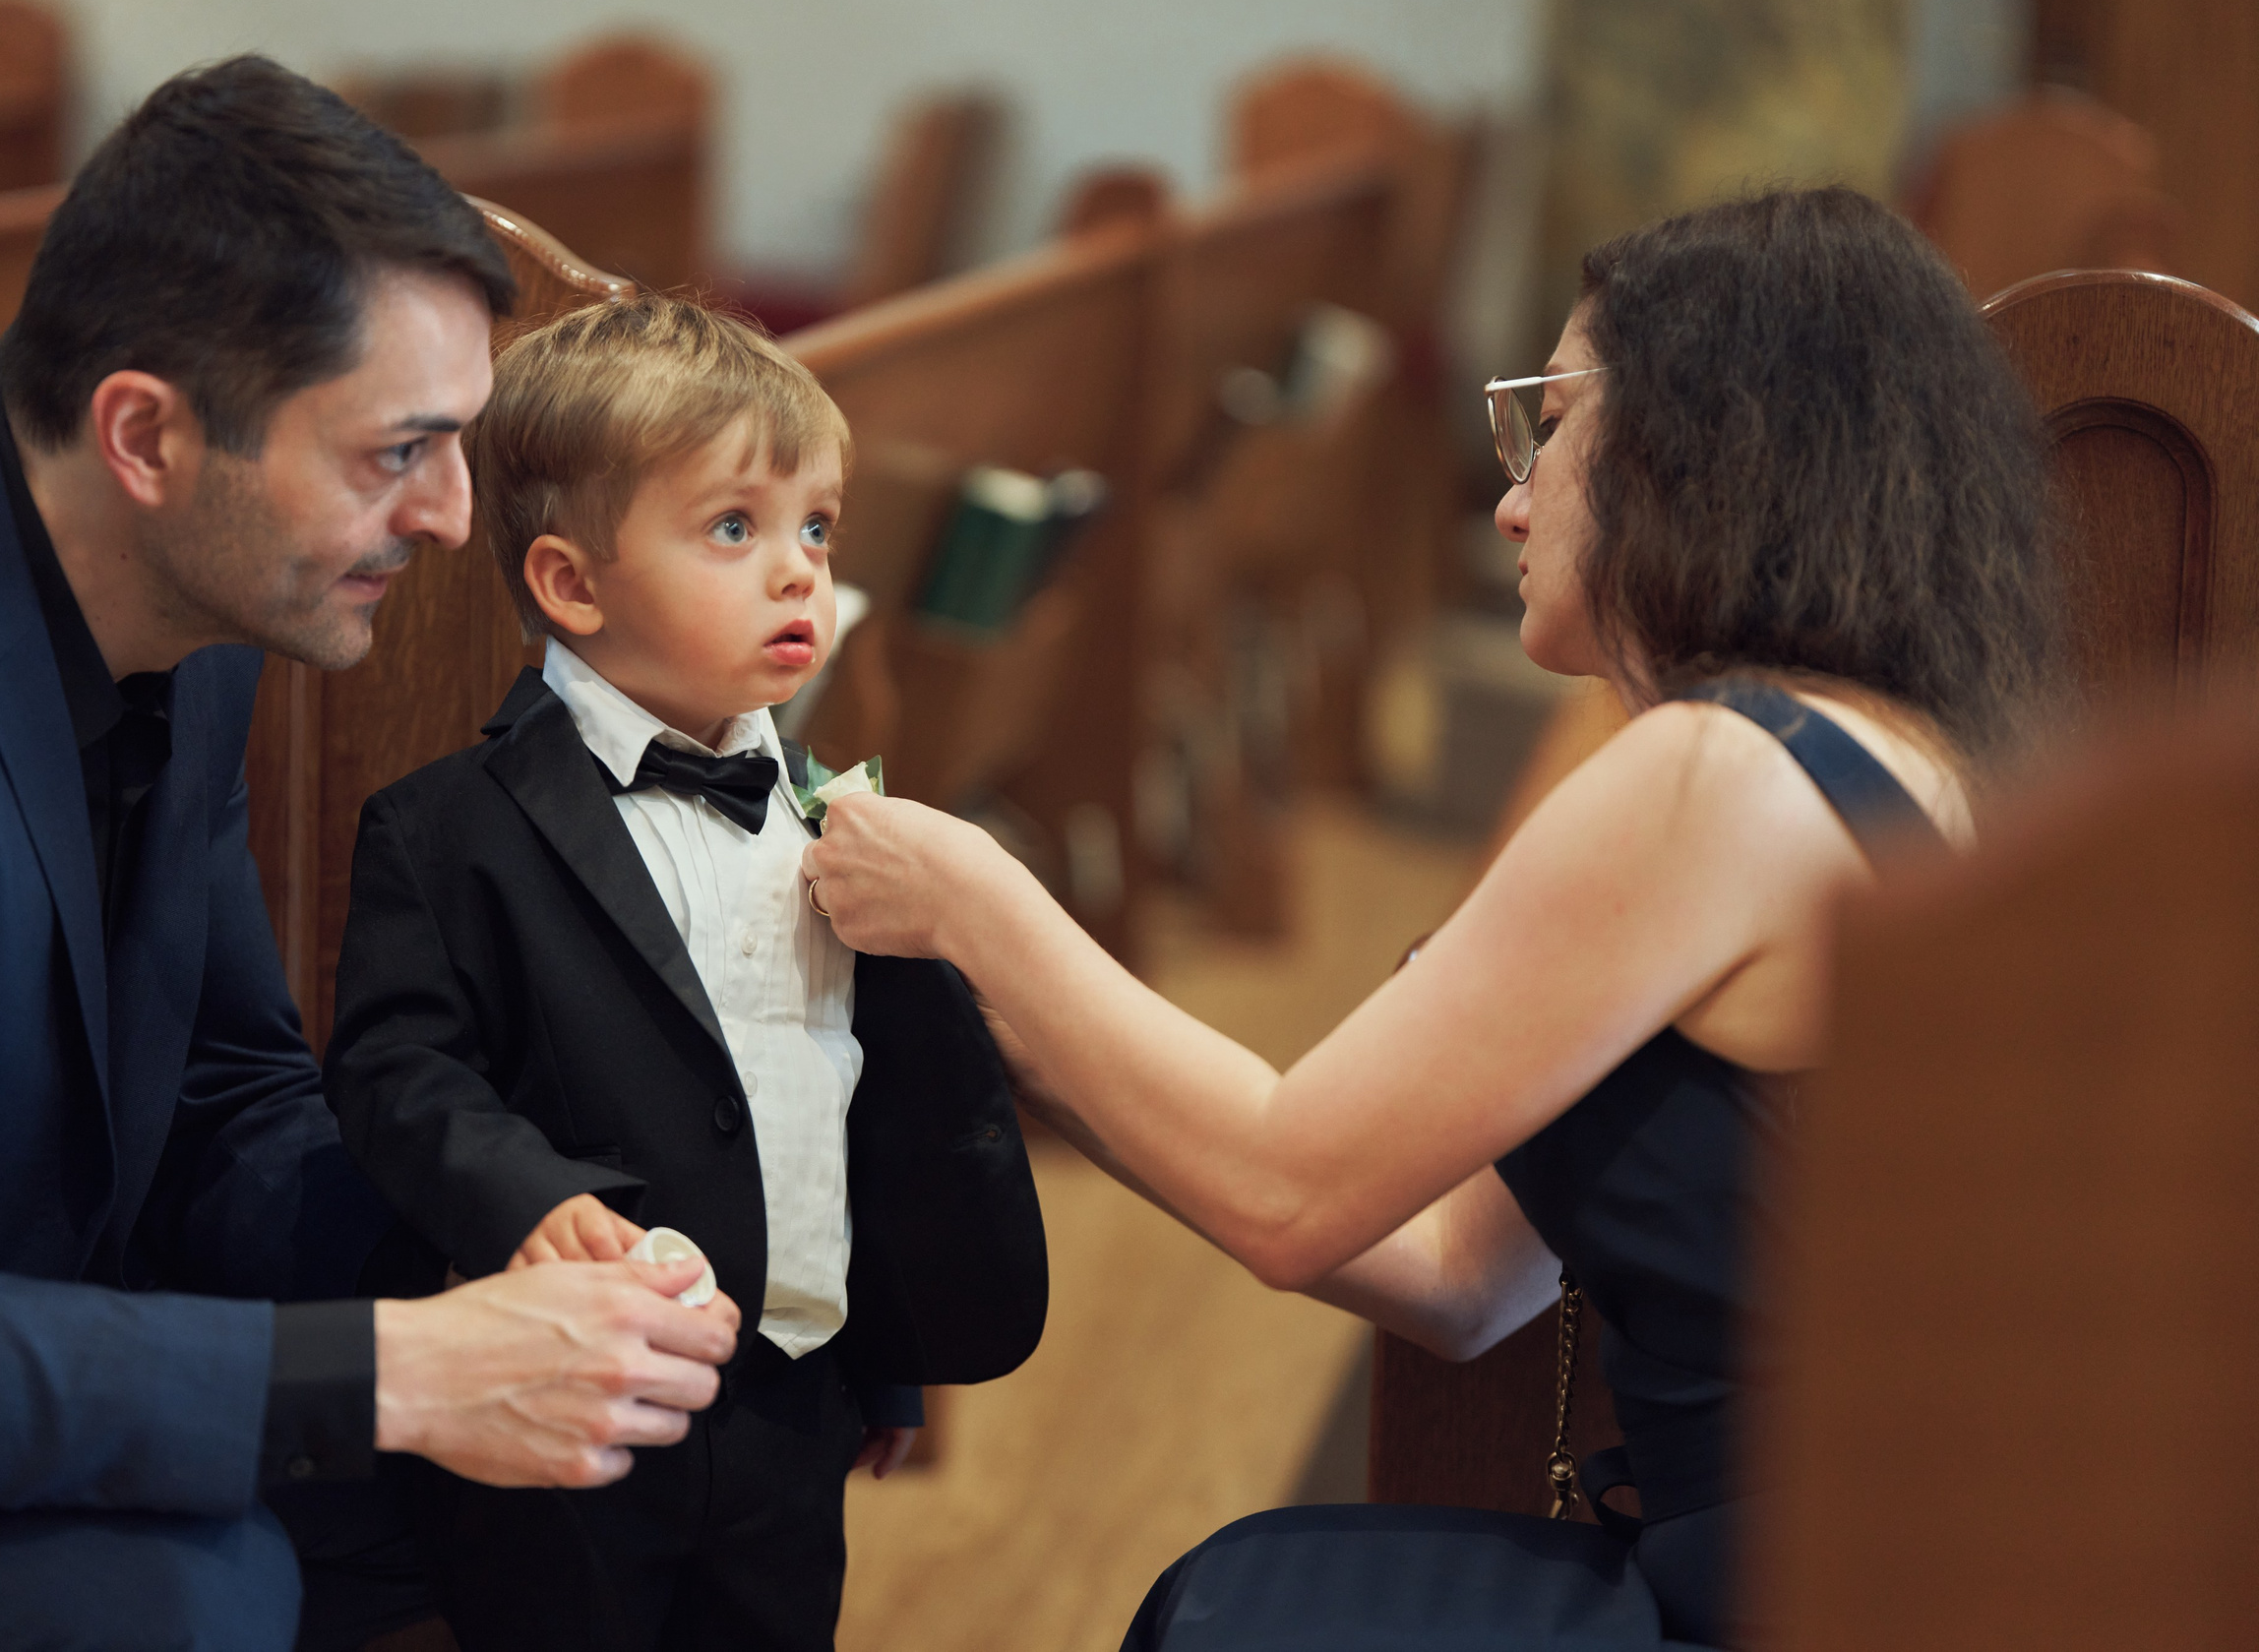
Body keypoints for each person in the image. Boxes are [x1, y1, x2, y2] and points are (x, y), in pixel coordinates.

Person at [802, 186, 2060, 1649]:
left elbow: (1287, 1189)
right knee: (1246, 1585)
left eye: (1552, 420)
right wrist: (1004, 1013)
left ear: (1704, 445)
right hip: (1847, 1567)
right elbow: (1459, 1275)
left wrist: (975, 902)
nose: (1513, 495)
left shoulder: (1716, 775)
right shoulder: (1882, 743)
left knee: (1223, 1616)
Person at [0, 59, 742, 1652]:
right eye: (395, 451)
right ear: (146, 433)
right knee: (197, 1592)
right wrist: (411, 1372)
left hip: (9, 1358)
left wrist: (523, 1235)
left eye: (463, 443)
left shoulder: (190, 616)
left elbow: (219, 1098)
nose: (448, 517)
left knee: (616, 1462)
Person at [323, 292, 1049, 1652]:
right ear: (572, 584)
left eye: (815, 529)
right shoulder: (449, 830)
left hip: (791, 1401)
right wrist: (530, 1198)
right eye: (736, 528)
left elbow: (858, 1097)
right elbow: (394, 1073)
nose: (800, 575)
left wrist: (886, 1351)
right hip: (569, 1397)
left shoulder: (845, 826)